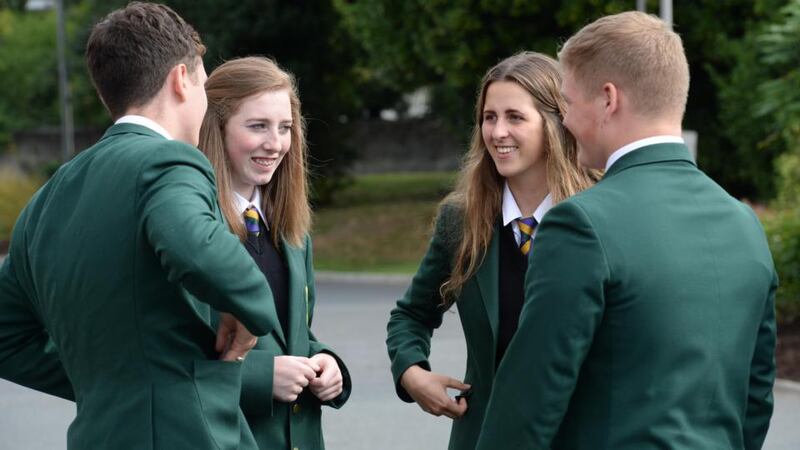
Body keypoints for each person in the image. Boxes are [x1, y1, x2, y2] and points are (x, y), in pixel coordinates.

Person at [475, 11, 777, 450]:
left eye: (568, 103)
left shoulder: (580, 224)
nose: (566, 121)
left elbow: (530, 401)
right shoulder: (744, 223)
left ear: (608, 99)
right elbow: (755, 396)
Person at [0, 3, 278, 449]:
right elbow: (199, 251)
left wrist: (108, 382)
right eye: (204, 83)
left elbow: (5, 334)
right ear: (180, 80)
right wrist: (251, 311)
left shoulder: (48, 196)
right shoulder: (168, 160)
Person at [385, 51, 597, 450]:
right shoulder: (460, 220)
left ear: (554, 123)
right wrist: (412, 372)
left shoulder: (599, 216)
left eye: (515, 117)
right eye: (489, 117)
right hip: (485, 436)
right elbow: (411, 315)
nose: (498, 132)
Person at [198, 56, 351, 450]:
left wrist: (327, 364)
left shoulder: (292, 230)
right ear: (217, 128)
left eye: (285, 128)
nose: (276, 143)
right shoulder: (191, 230)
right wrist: (261, 378)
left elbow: (295, 337)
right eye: (257, 126)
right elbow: (175, 357)